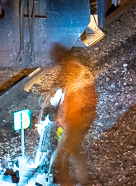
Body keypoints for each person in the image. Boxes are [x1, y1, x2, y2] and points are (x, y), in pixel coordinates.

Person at [41, 43, 98, 186]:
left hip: (75, 120)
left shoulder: (71, 71)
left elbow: (70, 99)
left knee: (58, 162)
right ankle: (83, 181)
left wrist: (60, 117)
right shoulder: (76, 69)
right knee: (73, 150)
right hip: (81, 119)